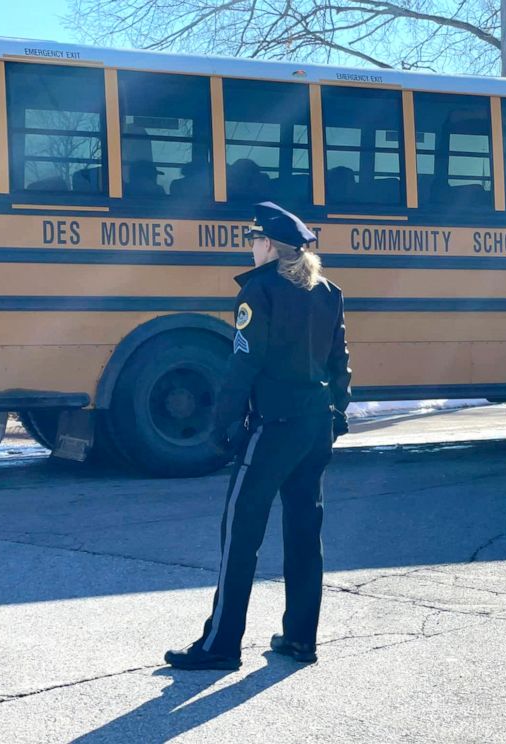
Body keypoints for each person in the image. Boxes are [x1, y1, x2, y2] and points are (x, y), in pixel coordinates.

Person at [165, 202, 351, 670]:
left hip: (272, 429)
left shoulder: (258, 292)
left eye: (253, 240)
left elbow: (242, 364)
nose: (250, 247)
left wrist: (224, 426)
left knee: (240, 534)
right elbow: (339, 363)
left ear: (269, 245)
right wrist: (339, 412)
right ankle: (299, 640)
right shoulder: (329, 292)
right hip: (314, 428)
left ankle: (221, 645)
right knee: (305, 533)